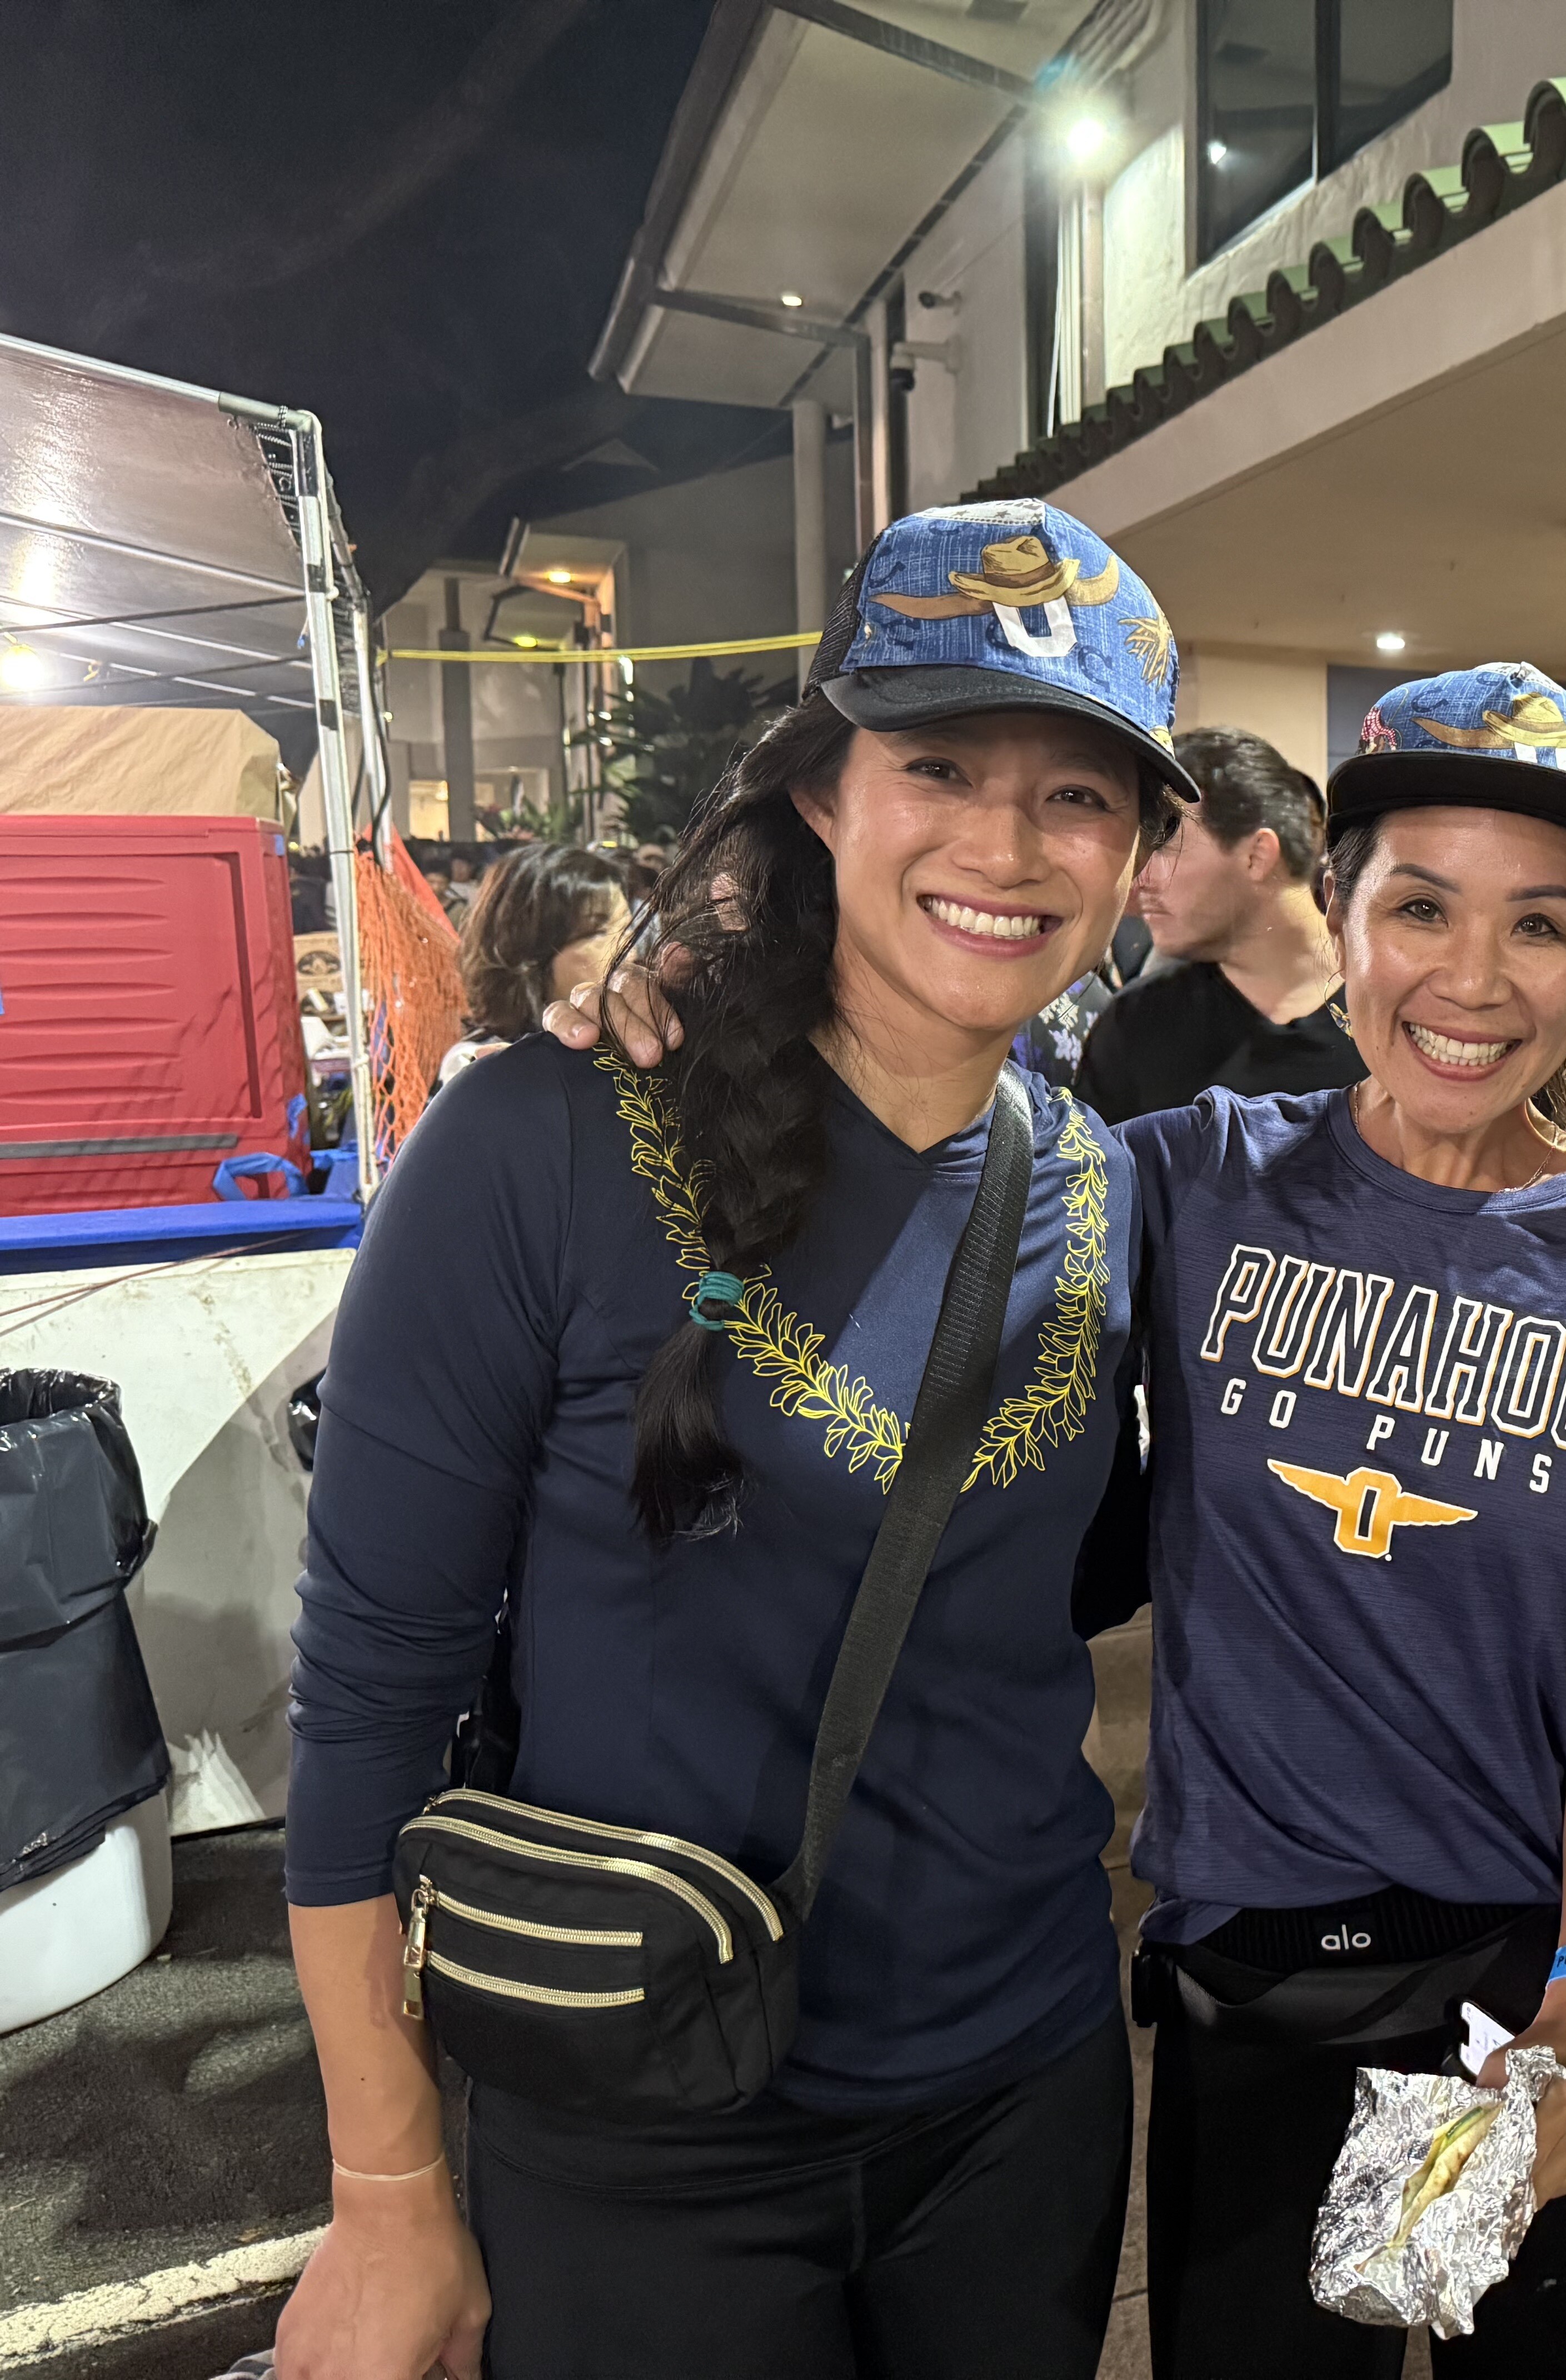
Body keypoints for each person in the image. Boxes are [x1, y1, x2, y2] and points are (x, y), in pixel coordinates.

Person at [567, 663, 1566, 2380]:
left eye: (1541, 927)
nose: (1473, 982)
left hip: (1521, 1992)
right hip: (1257, 1990)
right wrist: (692, 987)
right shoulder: (1188, 1175)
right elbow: (917, 1121)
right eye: (1420, 906)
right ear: (1339, 912)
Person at [277, 500, 1195, 2380]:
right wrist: (387, 2188)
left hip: (1019, 2084)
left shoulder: (1105, 1184)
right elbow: (370, 1693)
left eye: (1078, 798)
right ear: (822, 795)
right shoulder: (540, 1145)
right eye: (939, 765)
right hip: (635, 2117)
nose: (1007, 847)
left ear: (1135, 857)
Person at [1072, 723, 1361, 1122]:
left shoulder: (1395, 1014)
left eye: (1166, 843)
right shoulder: (1138, 1027)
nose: (1140, 877)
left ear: (1257, 856)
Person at [437, 842, 630, 1087]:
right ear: (528, 951)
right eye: (601, 932)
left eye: (628, 929)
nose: (628, 951)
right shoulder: (481, 1066)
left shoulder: (634, 1042)